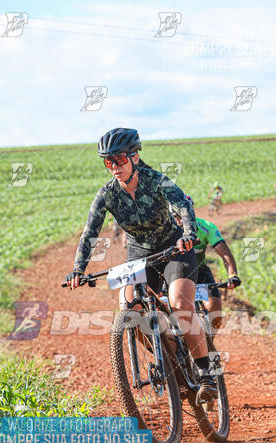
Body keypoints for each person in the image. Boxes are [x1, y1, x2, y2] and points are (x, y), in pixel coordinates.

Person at [65, 127, 218, 402]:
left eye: (119, 159)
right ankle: (169, 356)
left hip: (174, 249)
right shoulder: (107, 194)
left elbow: (184, 206)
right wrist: (79, 269)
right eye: (107, 162)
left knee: (181, 305)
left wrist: (188, 235)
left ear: (135, 157)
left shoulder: (156, 180)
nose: (114, 167)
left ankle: (206, 373)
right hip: (139, 255)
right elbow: (89, 232)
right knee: (131, 312)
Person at [173, 195, 241, 332]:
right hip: (174, 274)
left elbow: (225, 253)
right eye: (176, 216)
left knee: (214, 307)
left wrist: (232, 275)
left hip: (199, 271)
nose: (181, 220)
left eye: (186, 214)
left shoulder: (206, 227)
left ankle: (208, 343)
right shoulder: (167, 231)